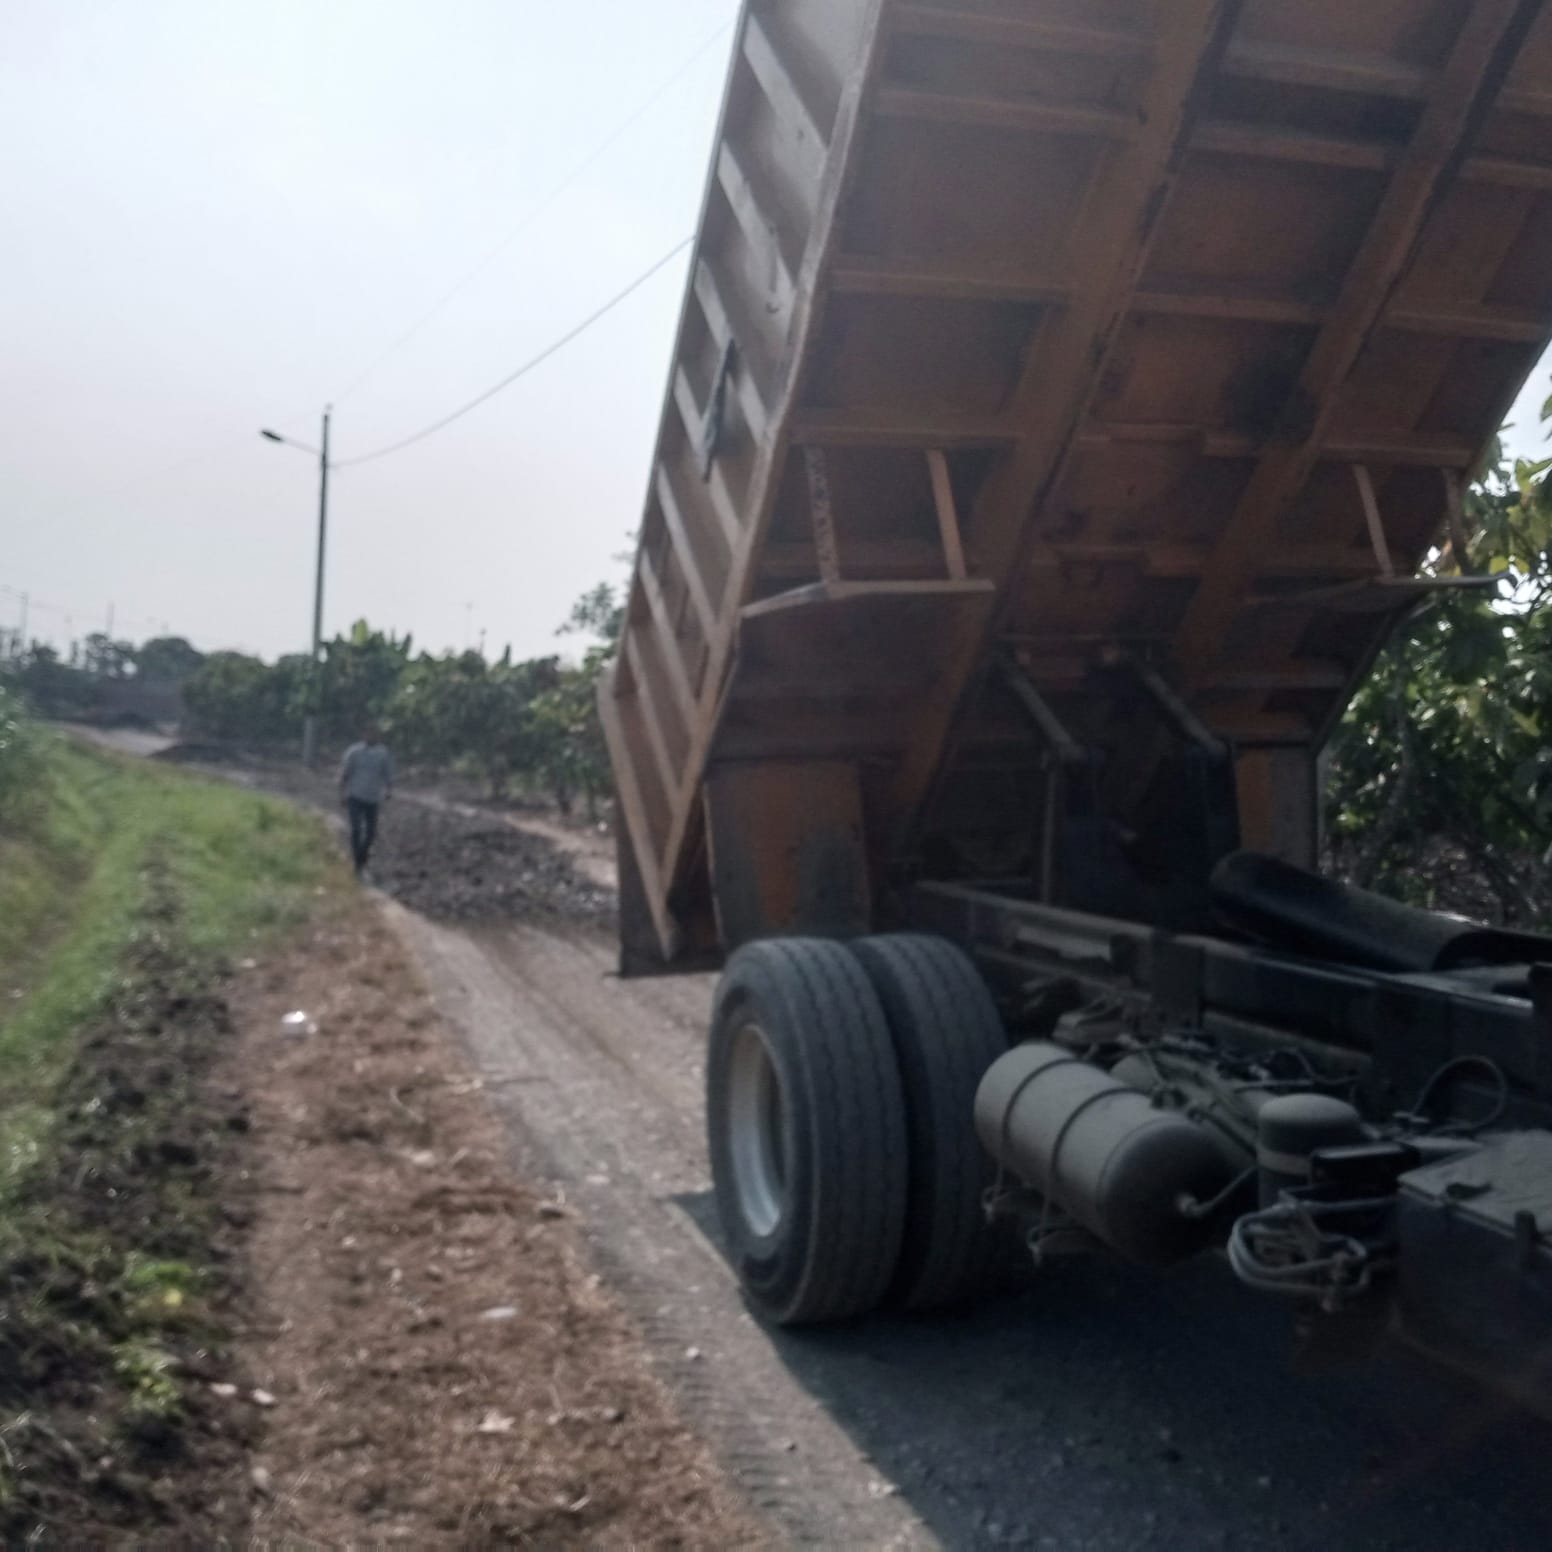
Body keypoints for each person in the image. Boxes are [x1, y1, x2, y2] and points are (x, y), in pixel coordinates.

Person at [338, 723, 393, 877]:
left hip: (372, 798)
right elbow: (345, 774)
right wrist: (341, 793)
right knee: (356, 829)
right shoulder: (354, 752)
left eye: (374, 733)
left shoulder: (383, 753)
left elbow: (388, 774)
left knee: (371, 832)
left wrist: (389, 789)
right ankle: (357, 861)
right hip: (355, 795)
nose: (371, 736)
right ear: (363, 735)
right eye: (368, 733)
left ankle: (362, 857)